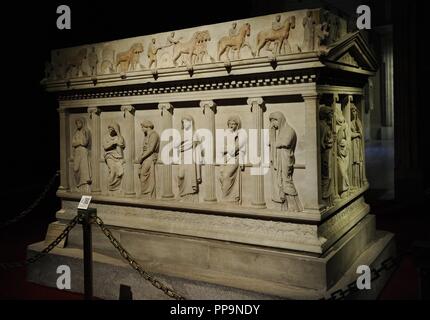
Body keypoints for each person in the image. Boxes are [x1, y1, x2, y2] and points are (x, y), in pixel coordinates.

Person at [269, 112, 303, 212]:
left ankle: (295, 207)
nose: (273, 125)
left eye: (273, 122)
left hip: (286, 159)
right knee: (281, 182)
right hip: (280, 159)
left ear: (279, 120)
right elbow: (275, 144)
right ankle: (286, 206)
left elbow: (285, 143)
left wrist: (274, 141)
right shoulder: (280, 131)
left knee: (286, 181)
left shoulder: (289, 130)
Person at [219, 116, 247, 203]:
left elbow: (236, 148)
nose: (231, 125)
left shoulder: (241, 133)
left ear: (237, 125)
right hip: (226, 157)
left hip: (236, 157)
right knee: (220, 175)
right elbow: (221, 148)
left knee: (227, 175)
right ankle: (227, 196)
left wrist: (227, 149)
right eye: (230, 124)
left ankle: (228, 198)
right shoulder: (226, 133)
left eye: (233, 124)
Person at [174, 115, 202, 202]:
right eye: (183, 122)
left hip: (190, 158)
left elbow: (194, 146)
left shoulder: (194, 133)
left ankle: (188, 197)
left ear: (190, 122)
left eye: (186, 121)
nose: (184, 123)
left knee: (189, 178)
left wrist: (184, 144)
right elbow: (176, 145)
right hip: (182, 157)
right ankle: (182, 194)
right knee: (180, 175)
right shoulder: (182, 134)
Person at [135, 120, 160, 198]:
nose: (142, 129)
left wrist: (141, 158)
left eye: (142, 127)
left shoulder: (154, 135)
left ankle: (147, 194)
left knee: (143, 174)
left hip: (150, 157)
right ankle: (145, 193)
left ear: (147, 126)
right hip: (146, 157)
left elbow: (151, 149)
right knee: (141, 174)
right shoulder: (147, 135)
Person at [103, 122, 125, 191]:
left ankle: (116, 188)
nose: (110, 130)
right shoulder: (106, 137)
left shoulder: (118, 137)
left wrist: (118, 133)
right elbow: (105, 147)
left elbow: (121, 143)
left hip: (118, 156)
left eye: (112, 129)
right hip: (109, 155)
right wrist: (113, 143)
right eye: (109, 129)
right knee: (113, 170)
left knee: (119, 172)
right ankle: (110, 187)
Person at [71, 118, 92, 193]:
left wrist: (79, 142)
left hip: (83, 152)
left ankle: (85, 187)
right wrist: (79, 142)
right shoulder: (76, 132)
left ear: (82, 123)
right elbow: (73, 143)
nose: (77, 125)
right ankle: (78, 185)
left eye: (79, 123)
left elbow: (85, 143)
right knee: (76, 169)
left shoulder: (86, 131)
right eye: (76, 123)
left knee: (84, 170)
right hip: (77, 152)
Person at [319, 106, 334, 206]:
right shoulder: (324, 127)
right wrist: (330, 143)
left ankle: (326, 197)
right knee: (326, 175)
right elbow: (321, 143)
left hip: (326, 153)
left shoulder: (323, 125)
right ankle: (325, 197)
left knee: (327, 175)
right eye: (330, 114)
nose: (332, 116)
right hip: (325, 154)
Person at [350, 104, 364, 188]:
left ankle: (359, 182)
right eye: (352, 111)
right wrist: (356, 134)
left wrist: (359, 131)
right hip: (352, 144)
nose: (354, 113)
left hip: (358, 144)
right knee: (354, 162)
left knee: (358, 162)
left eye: (355, 111)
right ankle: (354, 183)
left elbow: (361, 134)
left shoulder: (358, 121)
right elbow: (349, 134)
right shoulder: (349, 122)